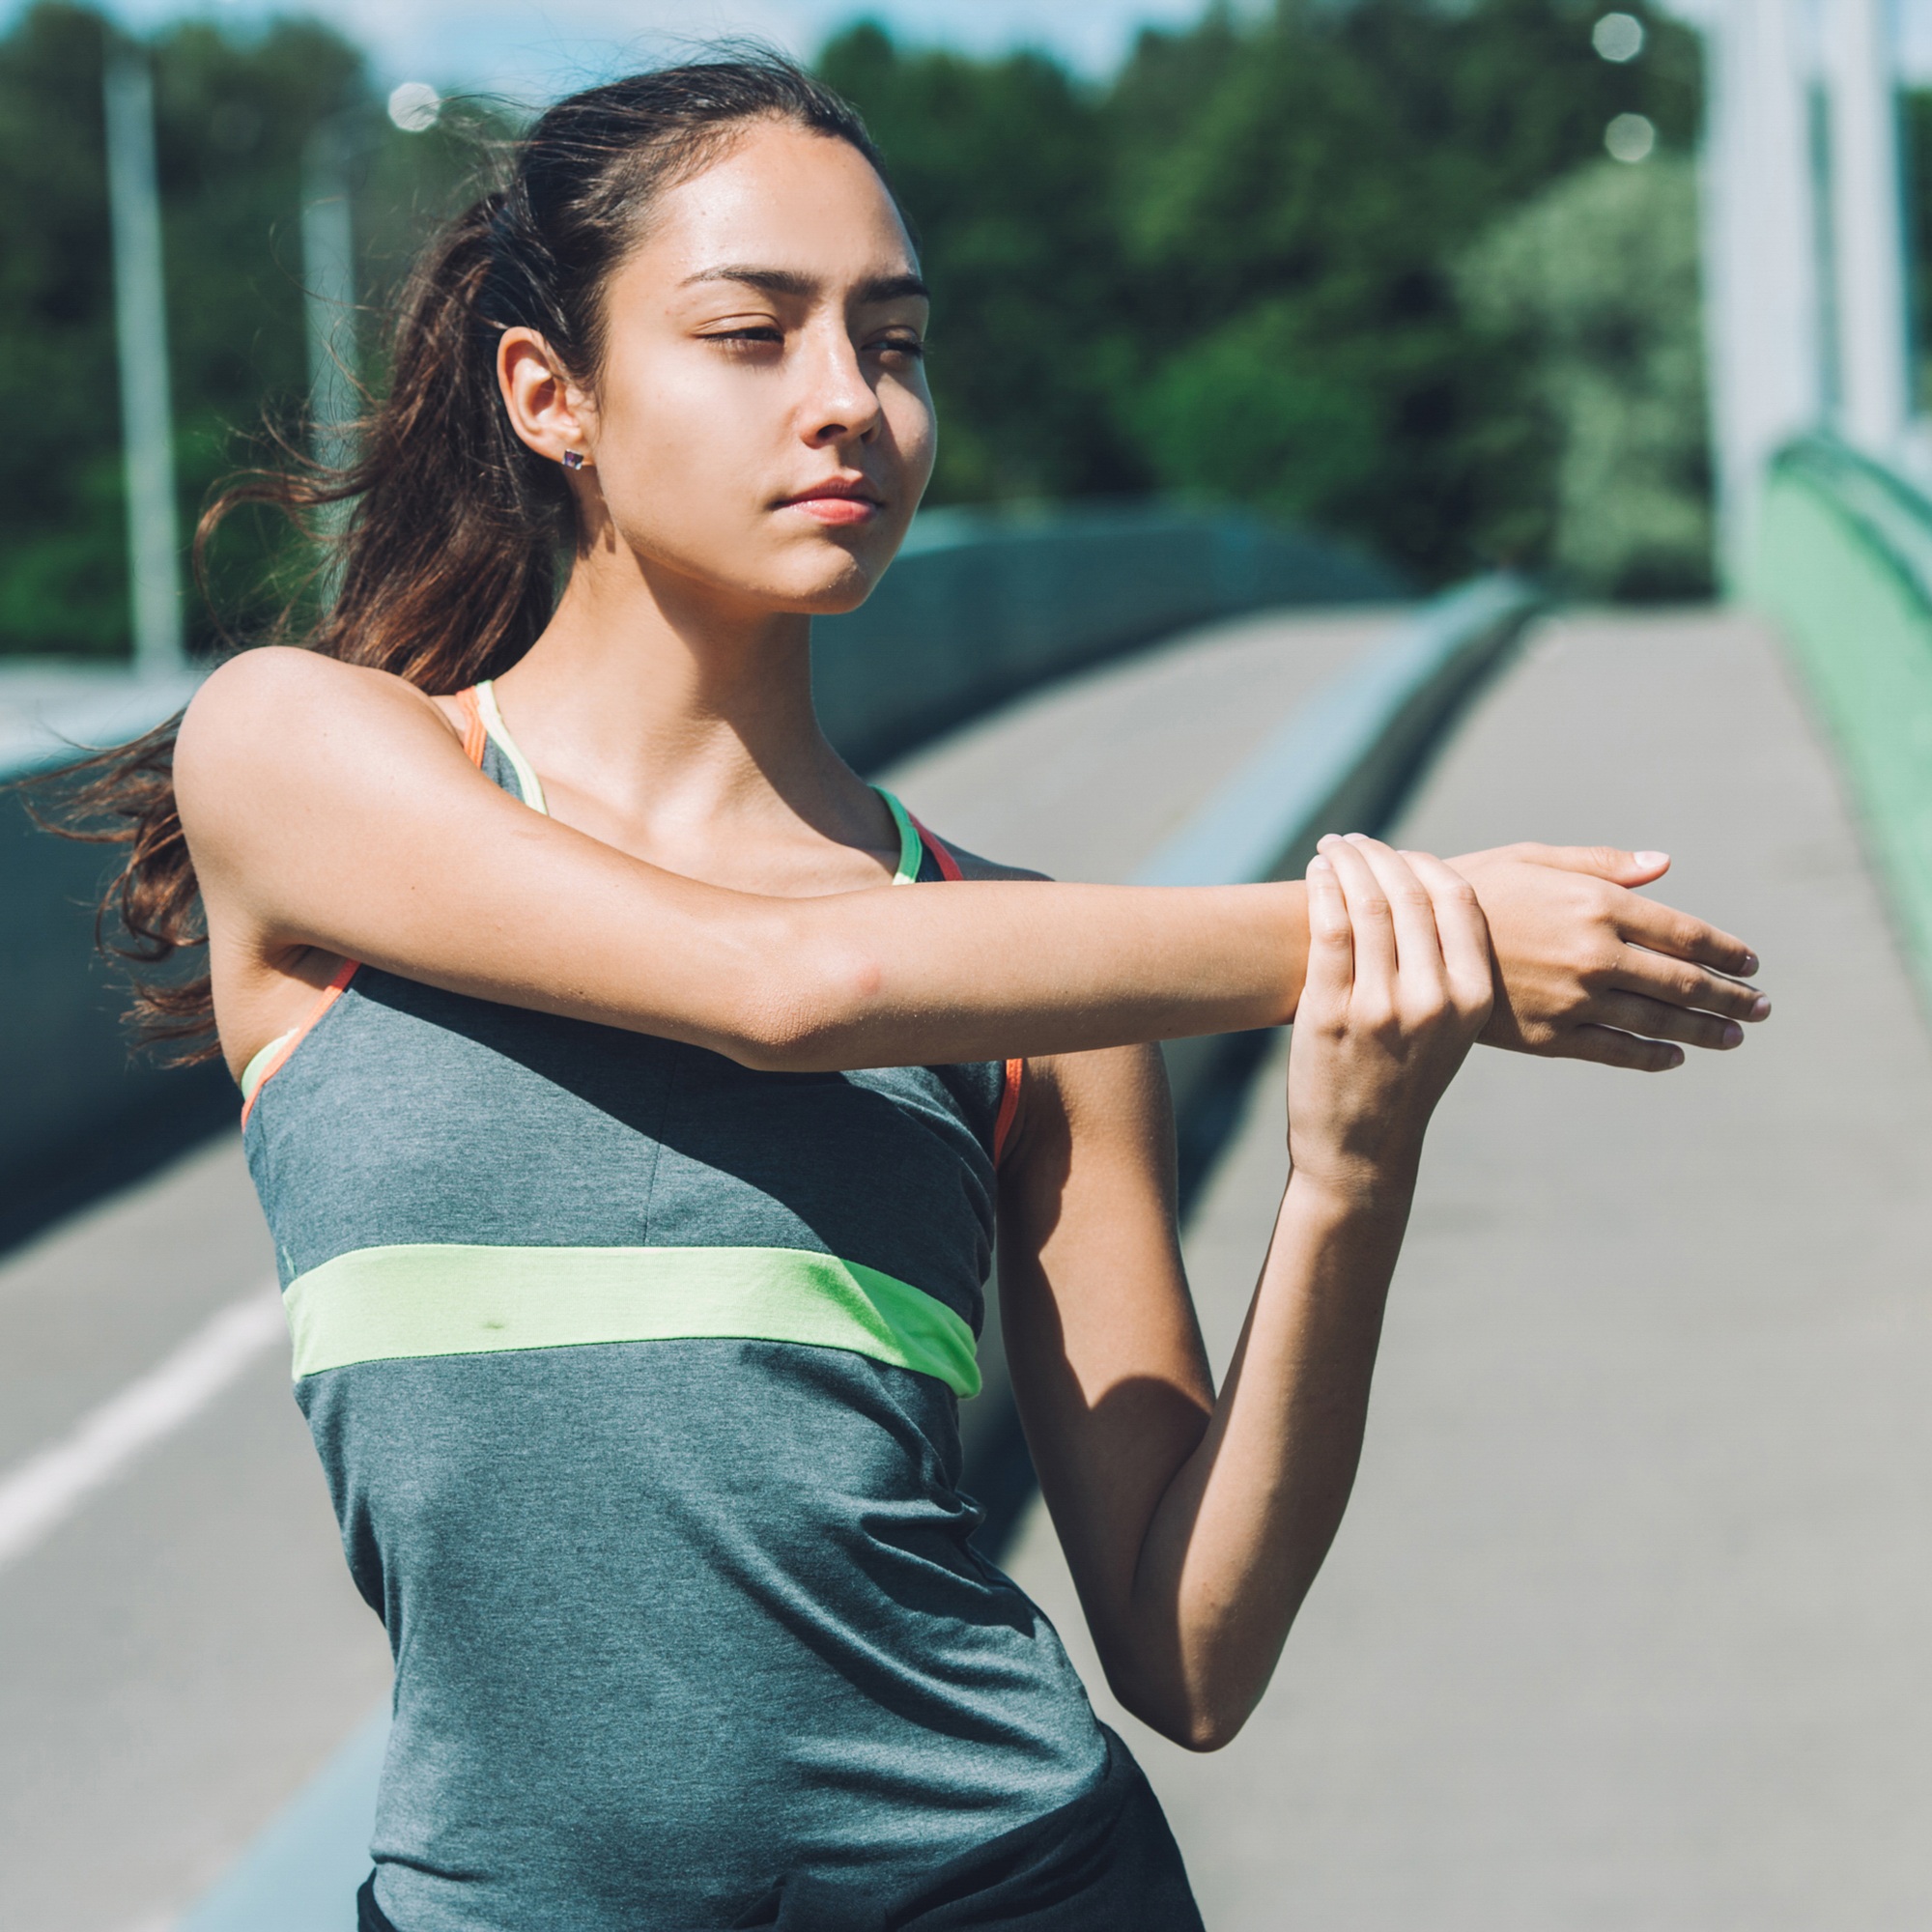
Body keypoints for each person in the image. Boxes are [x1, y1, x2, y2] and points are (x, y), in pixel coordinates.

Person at [63, 55, 1767, 1931]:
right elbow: (779, 985)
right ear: (552, 395)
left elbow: (1190, 1651)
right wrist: (1360, 924)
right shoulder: (302, 756)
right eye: (750, 333)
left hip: (1004, 1881)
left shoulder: (1019, 963)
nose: (848, 405)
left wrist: (1349, 1174)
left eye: (893, 341)